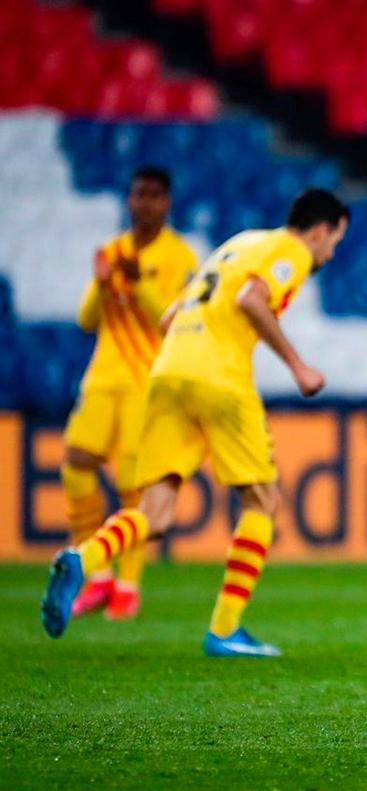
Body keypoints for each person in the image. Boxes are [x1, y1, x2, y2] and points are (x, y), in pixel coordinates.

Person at [40, 188, 350, 657]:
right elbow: (251, 298)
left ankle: (83, 559)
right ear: (321, 229)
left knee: (155, 512)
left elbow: (169, 317)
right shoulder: (291, 249)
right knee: (263, 501)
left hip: (168, 371)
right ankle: (224, 630)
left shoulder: (239, 243)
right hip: (220, 377)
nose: (331, 252)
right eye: (335, 241)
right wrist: (298, 366)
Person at [63, 166, 197, 621]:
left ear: (168, 203)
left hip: (147, 382)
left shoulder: (180, 257)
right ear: (128, 200)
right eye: (139, 195)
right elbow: (86, 319)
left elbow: (177, 321)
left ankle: (128, 585)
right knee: (76, 463)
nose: (145, 203)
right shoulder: (111, 251)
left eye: (155, 196)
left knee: (131, 487)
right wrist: (102, 284)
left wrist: (139, 284)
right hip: (102, 377)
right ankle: (96, 575)